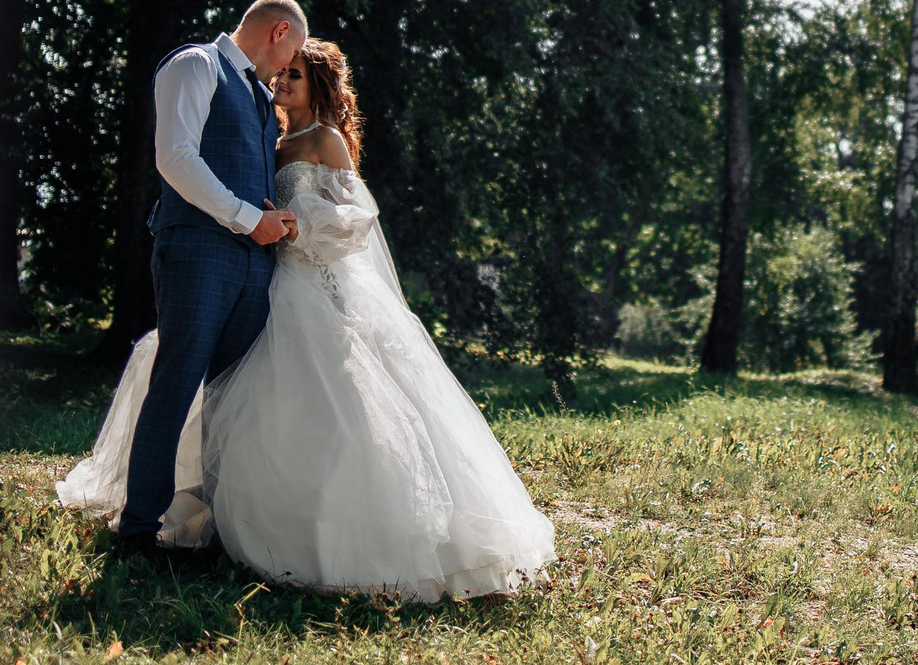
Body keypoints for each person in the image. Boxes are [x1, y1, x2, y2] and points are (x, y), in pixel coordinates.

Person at [64, 39, 556, 602]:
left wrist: (302, 224)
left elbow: (358, 216)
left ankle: (342, 529)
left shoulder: (324, 139)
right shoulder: (267, 139)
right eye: (284, 73)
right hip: (265, 280)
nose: (283, 82)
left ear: (319, 86)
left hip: (309, 282)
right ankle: (224, 511)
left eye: (295, 74)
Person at [78, 0, 309, 558]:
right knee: (177, 383)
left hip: (256, 262)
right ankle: (139, 529)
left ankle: (220, 526)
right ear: (279, 32)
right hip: (198, 251)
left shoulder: (259, 95)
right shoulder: (195, 66)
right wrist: (250, 218)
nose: (288, 67)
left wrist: (273, 222)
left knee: (233, 396)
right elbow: (175, 158)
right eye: (294, 52)